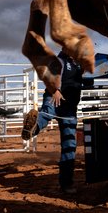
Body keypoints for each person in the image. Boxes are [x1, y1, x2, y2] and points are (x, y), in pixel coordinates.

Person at [21, 50, 92, 194]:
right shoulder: (60, 61)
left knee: (69, 144)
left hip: (70, 106)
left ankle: (66, 183)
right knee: (47, 113)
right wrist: (55, 90)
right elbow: (47, 76)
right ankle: (31, 129)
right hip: (56, 97)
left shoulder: (78, 64)